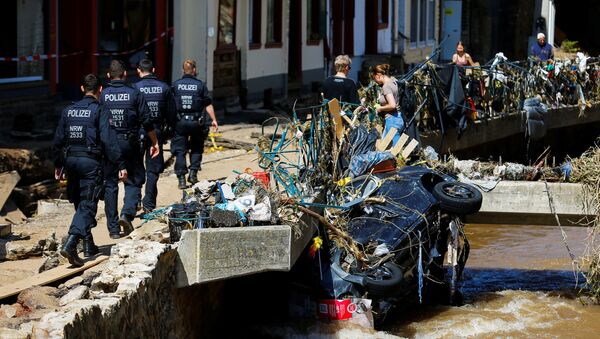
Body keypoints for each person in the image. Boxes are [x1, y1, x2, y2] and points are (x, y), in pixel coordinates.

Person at [53, 74, 127, 267]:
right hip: (89, 163)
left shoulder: (68, 111)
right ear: (100, 90)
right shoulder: (100, 110)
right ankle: (71, 243)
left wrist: (58, 164)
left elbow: (58, 141)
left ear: (81, 88)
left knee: (79, 203)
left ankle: (88, 244)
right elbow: (108, 141)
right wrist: (120, 164)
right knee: (87, 204)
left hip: (71, 162)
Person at [100, 60, 159, 238]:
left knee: (111, 185)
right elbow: (146, 120)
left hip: (109, 145)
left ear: (108, 76)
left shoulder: (102, 95)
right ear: (125, 74)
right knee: (133, 180)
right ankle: (127, 214)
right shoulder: (134, 93)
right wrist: (154, 141)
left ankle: (113, 229)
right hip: (130, 143)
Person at [133, 59, 173, 213]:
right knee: (153, 169)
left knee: (136, 167)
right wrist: (168, 133)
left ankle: (134, 200)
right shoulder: (164, 88)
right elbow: (171, 114)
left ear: (138, 71)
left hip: (138, 132)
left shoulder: (134, 88)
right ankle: (148, 203)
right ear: (154, 69)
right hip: (157, 131)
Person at [171, 59, 218, 189]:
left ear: (182, 70)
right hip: (196, 122)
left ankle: (181, 180)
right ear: (194, 70)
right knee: (197, 147)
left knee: (180, 150)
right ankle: (193, 174)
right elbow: (207, 103)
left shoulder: (175, 85)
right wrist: (213, 119)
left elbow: (170, 105)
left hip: (180, 122)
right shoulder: (200, 85)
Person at [372, 64, 404, 145]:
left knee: (396, 149)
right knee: (383, 147)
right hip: (398, 118)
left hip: (392, 120)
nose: (375, 81)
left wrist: (380, 108)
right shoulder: (393, 82)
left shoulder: (386, 86)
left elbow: (392, 105)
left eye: (374, 78)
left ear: (378, 75)